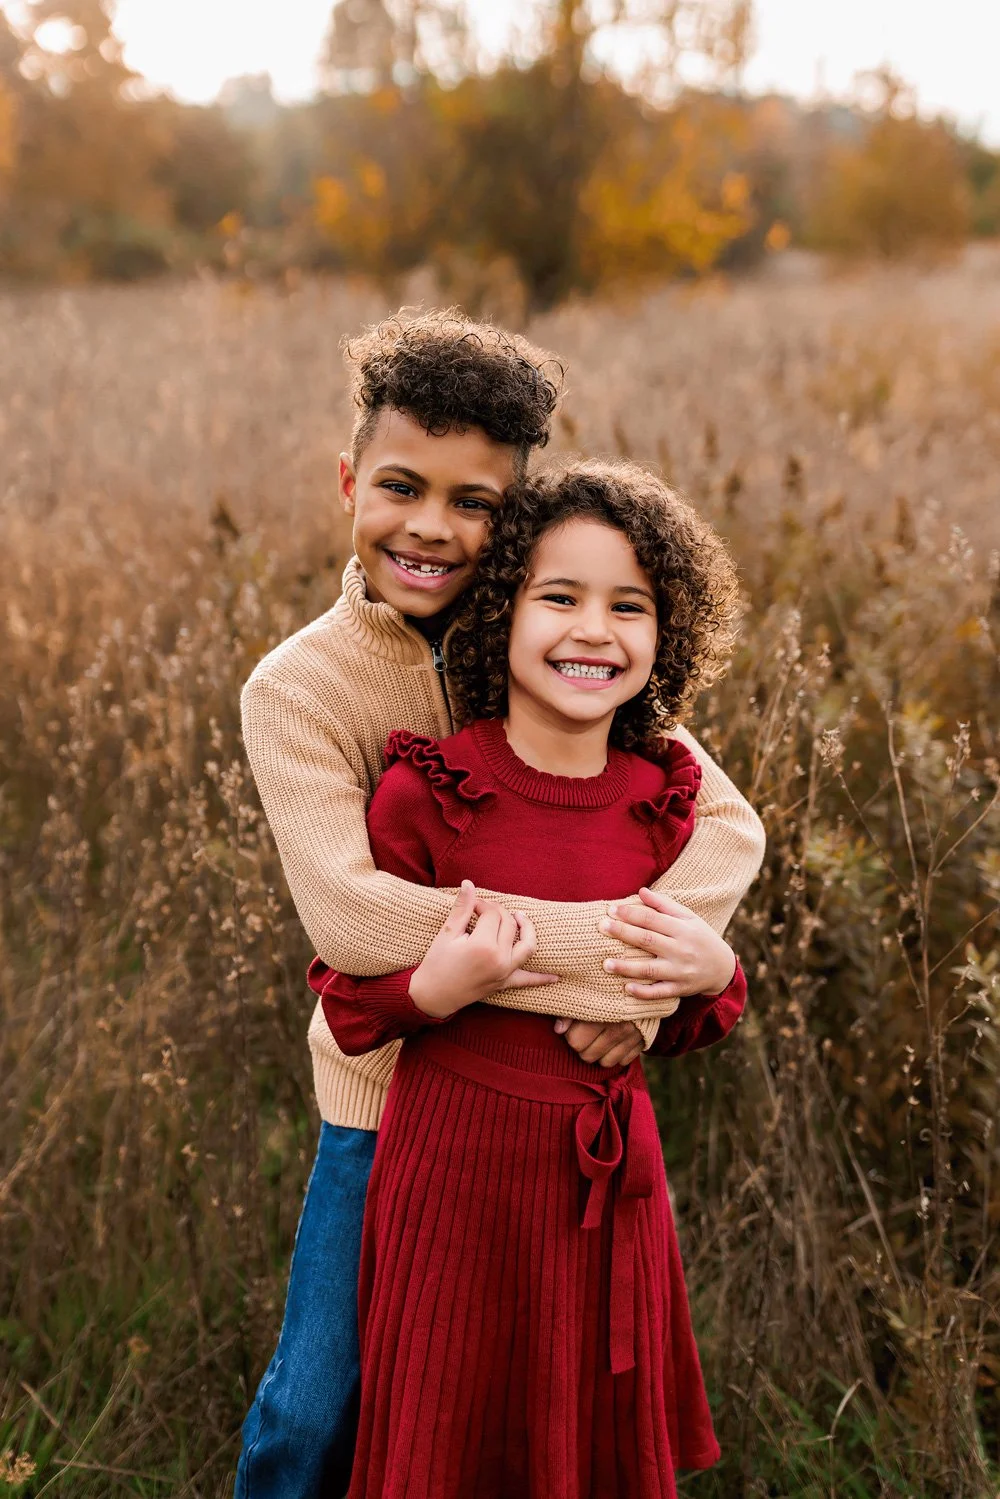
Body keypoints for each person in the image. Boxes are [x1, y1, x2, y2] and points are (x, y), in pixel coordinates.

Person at [237, 313, 765, 1498]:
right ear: (348, 482)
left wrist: (677, 974)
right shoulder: (300, 687)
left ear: (513, 515)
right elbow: (356, 923)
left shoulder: (551, 624)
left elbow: (727, 826)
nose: (430, 526)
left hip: (554, 1113)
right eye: (399, 486)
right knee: (319, 1401)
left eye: (473, 501)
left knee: (523, 1412)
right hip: (382, 1099)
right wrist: (637, 965)